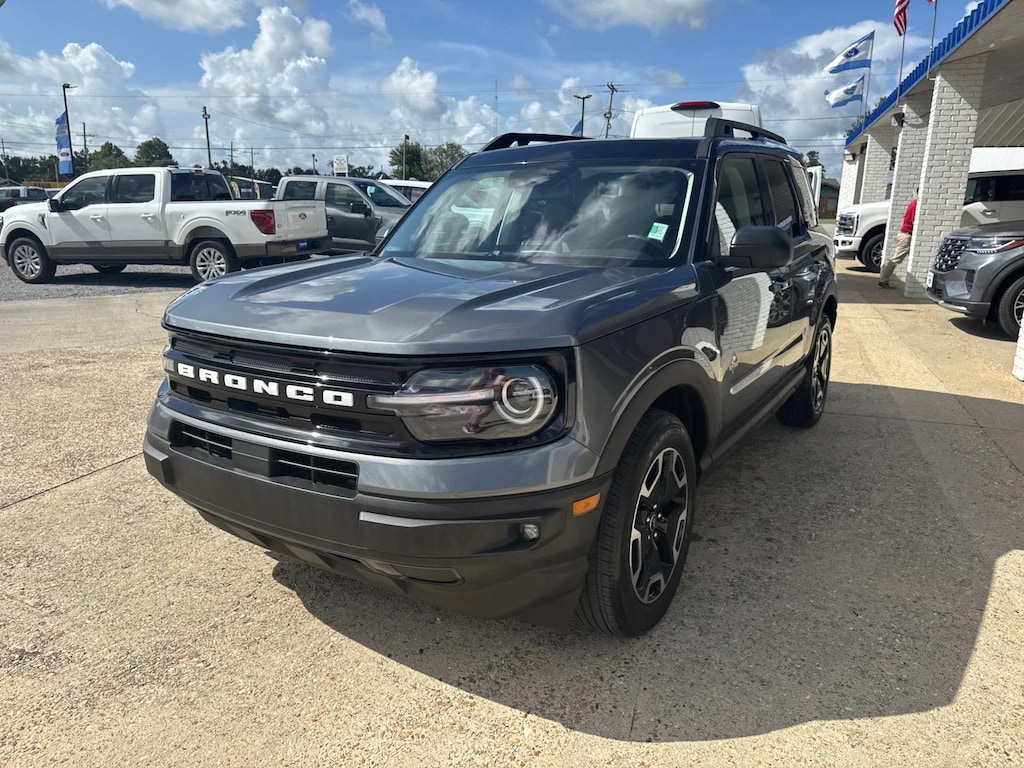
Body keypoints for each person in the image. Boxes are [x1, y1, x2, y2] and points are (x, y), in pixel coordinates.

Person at [879, 192, 917, 288]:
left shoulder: (913, 203)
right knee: (896, 259)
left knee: (901, 258)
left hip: (904, 234)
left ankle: (884, 280)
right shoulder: (916, 204)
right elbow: (914, 221)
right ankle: (883, 280)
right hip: (906, 235)